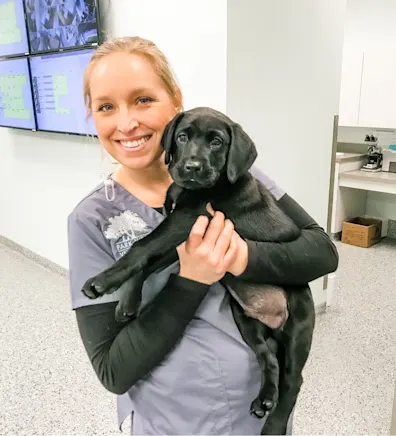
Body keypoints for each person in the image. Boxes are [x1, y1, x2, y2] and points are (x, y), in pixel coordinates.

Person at [67, 36, 339, 435]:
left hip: (262, 417)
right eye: (106, 106)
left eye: (143, 99)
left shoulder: (236, 176)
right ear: (92, 116)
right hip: (178, 424)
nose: (127, 122)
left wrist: (242, 257)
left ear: (175, 102)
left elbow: (322, 252)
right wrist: (192, 278)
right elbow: (113, 371)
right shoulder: (92, 219)